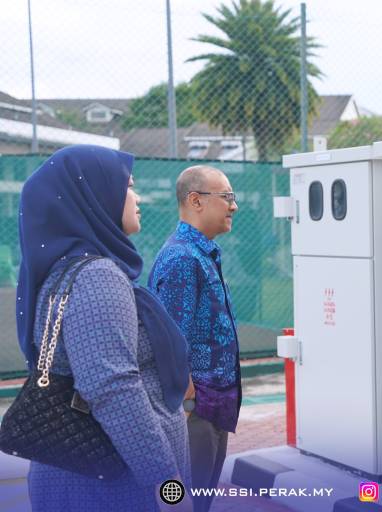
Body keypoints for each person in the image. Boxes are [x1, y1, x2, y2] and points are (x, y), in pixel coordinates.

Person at [15, 145, 192, 511]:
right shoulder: (97, 276)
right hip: (113, 486)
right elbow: (112, 386)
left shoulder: (63, 269)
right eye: (128, 187)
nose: (137, 198)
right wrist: (167, 485)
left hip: (86, 476)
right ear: (95, 197)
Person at [148, 165, 241, 512]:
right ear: (196, 200)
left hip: (211, 408)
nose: (234, 206)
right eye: (227, 197)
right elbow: (169, 343)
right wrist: (186, 405)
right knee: (187, 502)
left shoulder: (201, 253)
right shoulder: (182, 258)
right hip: (194, 412)